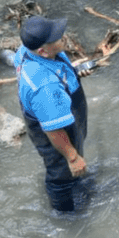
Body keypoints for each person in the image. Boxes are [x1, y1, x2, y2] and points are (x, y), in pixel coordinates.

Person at [14, 15, 88, 212]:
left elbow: (57, 71)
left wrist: (75, 72)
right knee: (60, 174)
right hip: (54, 130)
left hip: (53, 109)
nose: (63, 37)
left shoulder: (26, 51)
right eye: (57, 37)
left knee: (67, 167)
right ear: (43, 51)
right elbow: (54, 130)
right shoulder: (46, 88)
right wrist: (72, 158)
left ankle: (75, 177)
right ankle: (65, 219)